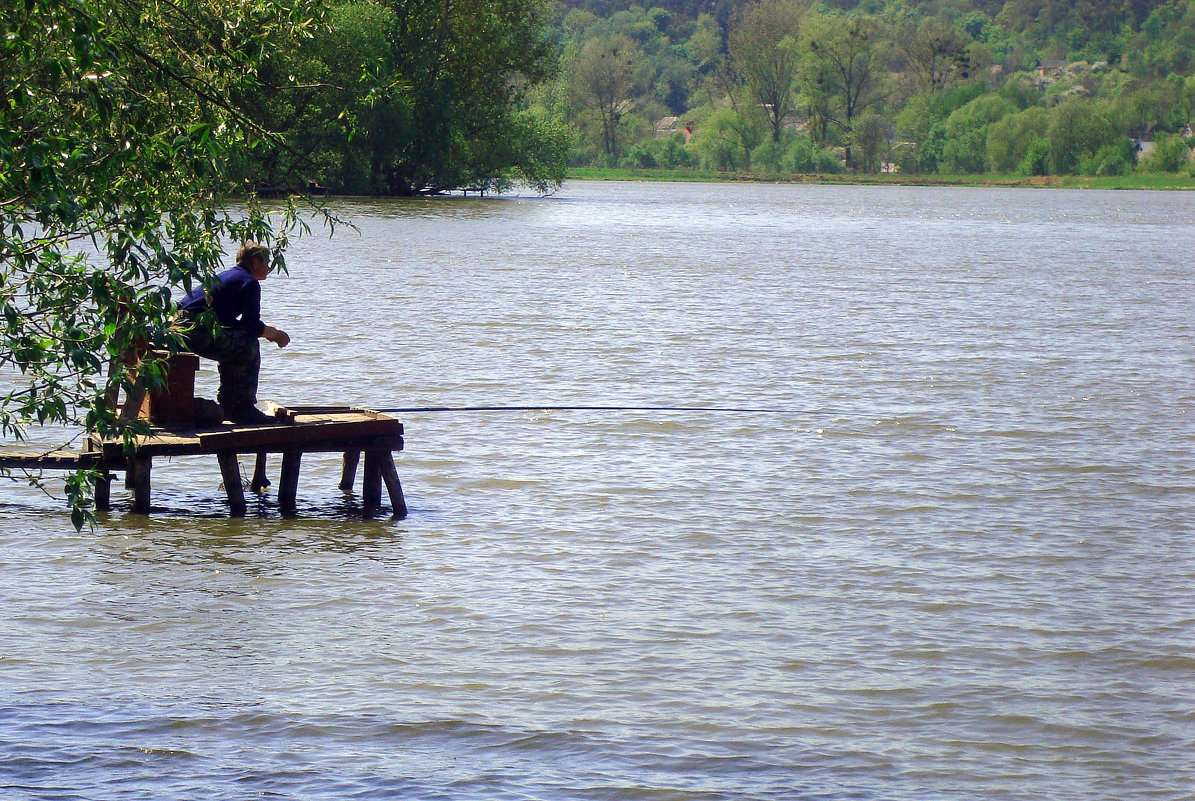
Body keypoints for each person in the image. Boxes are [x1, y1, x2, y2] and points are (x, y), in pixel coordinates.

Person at [176, 241, 290, 424]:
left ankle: (230, 406)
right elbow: (251, 327)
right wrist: (275, 334)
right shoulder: (249, 282)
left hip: (177, 327)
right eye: (266, 263)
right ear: (254, 263)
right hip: (193, 329)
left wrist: (265, 331)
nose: (268, 268)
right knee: (248, 344)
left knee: (236, 340)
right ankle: (241, 407)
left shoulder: (229, 276)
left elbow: (234, 323)